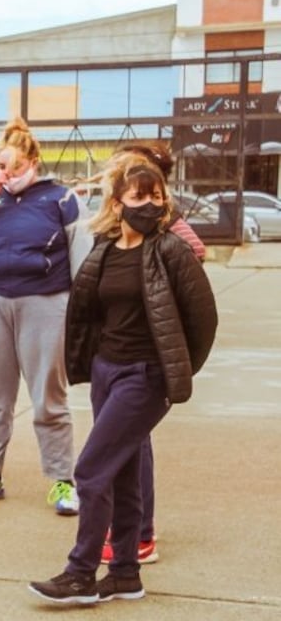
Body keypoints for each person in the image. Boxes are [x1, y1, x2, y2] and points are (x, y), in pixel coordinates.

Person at [28, 150, 217, 605]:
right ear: (116, 203)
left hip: (146, 376)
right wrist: (91, 362)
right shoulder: (105, 251)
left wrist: (174, 369)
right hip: (107, 372)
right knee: (122, 474)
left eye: (156, 197)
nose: (149, 205)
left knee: (91, 471)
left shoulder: (172, 251)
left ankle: (80, 573)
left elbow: (203, 320)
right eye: (139, 196)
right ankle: (126, 574)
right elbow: (87, 313)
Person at [0, 117, 92, 514]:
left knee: (49, 394)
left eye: (11, 166)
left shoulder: (62, 200)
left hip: (45, 301)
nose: (5, 173)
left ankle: (63, 481)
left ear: (32, 161)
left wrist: (81, 314)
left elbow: (82, 258)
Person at [95, 142, 206, 566]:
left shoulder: (162, 218)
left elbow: (195, 251)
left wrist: (158, 279)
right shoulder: (113, 220)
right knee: (127, 444)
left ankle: (139, 533)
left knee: (128, 446)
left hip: (145, 357)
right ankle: (131, 530)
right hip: (114, 354)